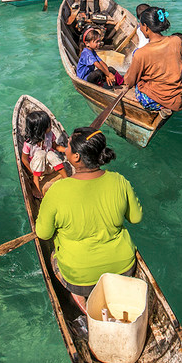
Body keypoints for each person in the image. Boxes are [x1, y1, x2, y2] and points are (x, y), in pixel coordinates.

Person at [35, 127, 142, 312]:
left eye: (67, 145)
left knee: (54, 256)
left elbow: (43, 234)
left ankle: (82, 303)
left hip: (80, 278)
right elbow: (135, 217)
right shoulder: (120, 181)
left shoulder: (58, 191)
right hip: (124, 267)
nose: (64, 148)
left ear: (76, 157)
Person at [123, 7, 182, 113]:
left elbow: (129, 82)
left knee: (138, 83)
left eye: (140, 24)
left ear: (146, 27)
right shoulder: (176, 41)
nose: (140, 27)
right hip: (178, 98)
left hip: (156, 101)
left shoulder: (141, 53)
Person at [20, 110, 67, 197]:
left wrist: (68, 150)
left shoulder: (50, 135)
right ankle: (36, 184)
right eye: (49, 125)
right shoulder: (28, 144)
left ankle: (66, 178)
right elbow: (24, 159)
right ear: (41, 130)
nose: (51, 126)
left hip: (49, 167)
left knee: (50, 154)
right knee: (40, 154)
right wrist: (31, 172)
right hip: (36, 170)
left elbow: (56, 147)